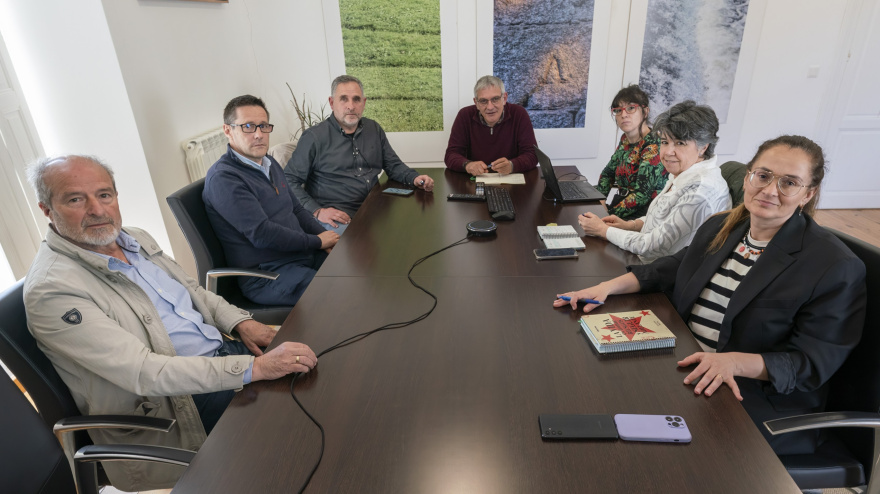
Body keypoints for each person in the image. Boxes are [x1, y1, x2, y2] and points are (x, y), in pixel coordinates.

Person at [554, 135, 866, 455]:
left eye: (789, 182)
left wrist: (732, 362)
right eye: (763, 175)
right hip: (687, 365)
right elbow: (674, 267)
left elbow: (810, 364)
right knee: (585, 391)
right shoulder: (725, 227)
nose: (770, 190)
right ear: (748, 177)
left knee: (637, 452)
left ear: (808, 193)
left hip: (749, 400)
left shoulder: (834, 267)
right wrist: (606, 287)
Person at [23, 155, 318, 491]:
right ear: (47, 209)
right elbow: (144, 373)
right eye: (76, 199)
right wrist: (255, 369)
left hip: (224, 356)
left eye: (104, 195)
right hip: (178, 404)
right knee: (301, 433)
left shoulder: (134, 238)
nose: (97, 209)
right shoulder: (53, 289)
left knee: (318, 375)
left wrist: (239, 322)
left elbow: (192, 291)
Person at [205, 95, 338, 306]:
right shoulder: (224, 178)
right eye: (248, 127)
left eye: (263, 126)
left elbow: (295, 208)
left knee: (355, 271)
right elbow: (262, 234)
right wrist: (318, 241)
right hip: (267, 275)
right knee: (337, 294)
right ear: (228, 130)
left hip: (299, 256)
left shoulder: (268, 162)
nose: (259, 135)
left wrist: (321, 235)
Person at [578, 101, 731, 262]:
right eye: (664, 142)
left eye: (680, 143)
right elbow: (664, 219)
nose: (668, 152)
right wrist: (631, 225)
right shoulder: (685, 172)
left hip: (657, 274)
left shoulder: (699, 191)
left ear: (703, 147)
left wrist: (603, 230)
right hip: (644, 259)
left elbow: (653, 247)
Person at [284, 75, 434, 234]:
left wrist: (414, 178)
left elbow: (393, 165)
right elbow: (288, 179)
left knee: (415, 230)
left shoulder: (373, 129)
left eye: (356, 99)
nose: (351, 106)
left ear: (364, 103)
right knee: (356, 255)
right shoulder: (314, 137)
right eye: (344, 99)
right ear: (332, 102)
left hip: (374, 208)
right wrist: (317, 211)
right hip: (338, 217)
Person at [596, 85, 667, 220]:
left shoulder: (653, 145)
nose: (623, 115)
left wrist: (607, 215)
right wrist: (599, 201)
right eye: (618, 110)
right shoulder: (625, 140)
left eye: (631, 108)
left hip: (645, 217)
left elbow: (642, 195)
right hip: (622, 206)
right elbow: (607, 174)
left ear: (645, 112)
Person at [444, 75, 538, 176]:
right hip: (475, 181)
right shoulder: (464, 115)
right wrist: (468, 165)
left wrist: (512, 165)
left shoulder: (519, 114)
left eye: (495, 99)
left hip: (510, 180)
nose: (490, 107)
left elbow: (532, 154)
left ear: (504, 98)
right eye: (483, 101)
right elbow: (451, 155)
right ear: (476, 103)